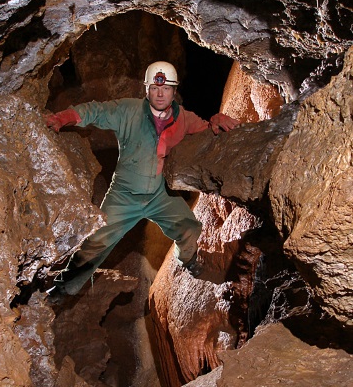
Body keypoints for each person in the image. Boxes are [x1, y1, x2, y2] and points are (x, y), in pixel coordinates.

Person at [45, 61, 239, 298]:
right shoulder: (128, 110)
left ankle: (187, 260)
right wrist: (63, 118)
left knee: (189, 227)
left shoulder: (184, 118)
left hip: (160, 194)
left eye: (166, 88)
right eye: (155, 88)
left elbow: (208, 131)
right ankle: (63, 287)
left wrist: (216, 120)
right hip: (124, 193)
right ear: (147, 89)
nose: (160, 93)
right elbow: (95, 111)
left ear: (173, 90)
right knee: (95, 242)